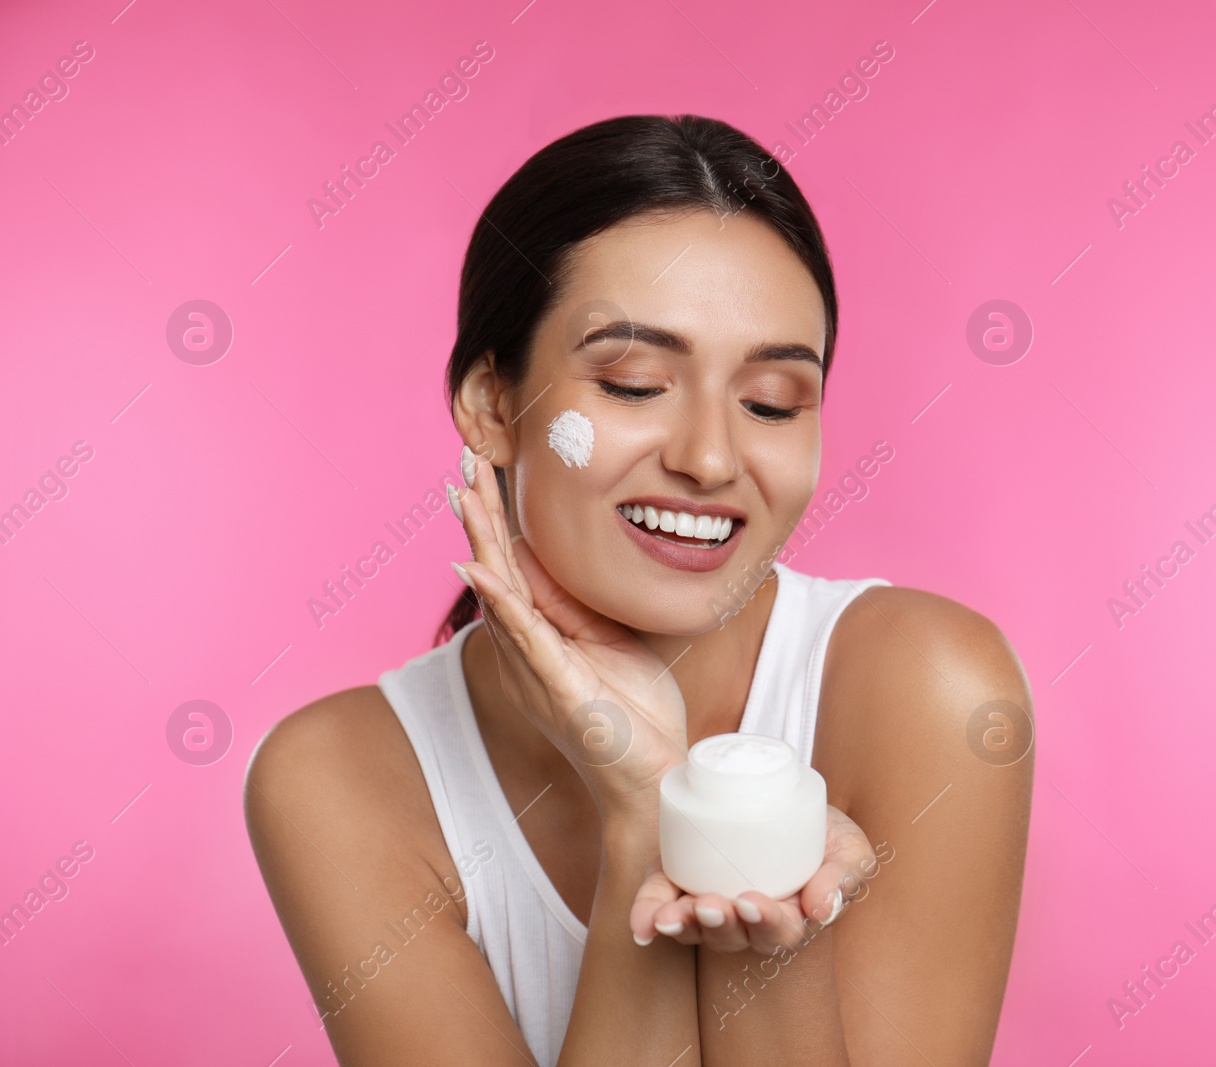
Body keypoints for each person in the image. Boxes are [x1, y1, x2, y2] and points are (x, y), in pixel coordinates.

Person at [244, 113, 1034, 1066]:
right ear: (493, 404)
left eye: (770, 403)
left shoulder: (933, 691)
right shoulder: (337, 780)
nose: (709, 457)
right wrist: (643, 811)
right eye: (632, 383)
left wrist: (745, 899)